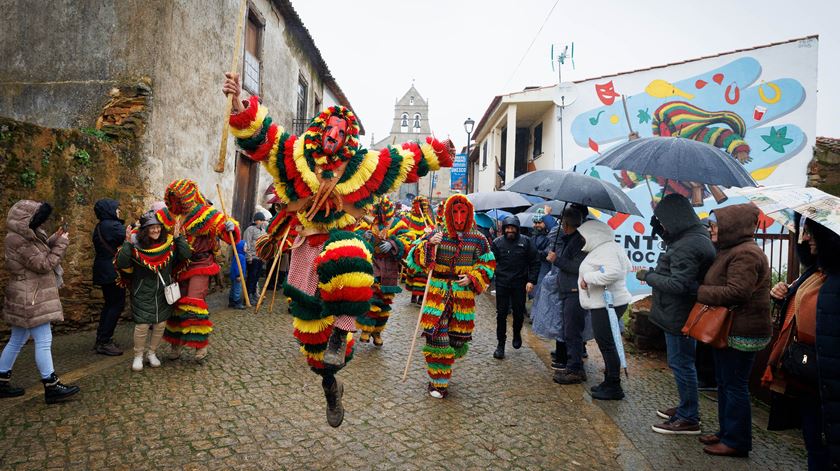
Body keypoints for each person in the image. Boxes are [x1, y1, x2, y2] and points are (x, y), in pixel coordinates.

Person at [223, 72, 453, 427]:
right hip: (305, 245)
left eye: (340, 132)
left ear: (348, 138)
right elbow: (263, 140)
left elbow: (403, 160)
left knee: (348, 261)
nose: (332, 136)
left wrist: (439, 151)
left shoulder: (364, 165)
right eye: (328, 129)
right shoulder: (295, 155)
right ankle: (331, 386)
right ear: (317, 130)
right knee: (313, 343)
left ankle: (343, 332)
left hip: (342, 240)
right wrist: (239, 101)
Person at [694, 203, 771, 458]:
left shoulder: (746, 254)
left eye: (715, 225)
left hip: (742, 330)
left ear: (732, 226)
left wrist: (698, 292)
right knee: (725, 383)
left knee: (734, 385)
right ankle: (727, 432)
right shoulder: (732, 250)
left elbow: (737, 292)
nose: (711, 230)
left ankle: (736, 441)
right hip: (730, 328)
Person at [763, 217, 840, 469]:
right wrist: (783, 294)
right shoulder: (815, 271)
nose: (805, 238)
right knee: (815, 446)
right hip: (810, 377)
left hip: (828, 380)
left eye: (811, 232)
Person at [637, 194, 716, 435]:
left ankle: (689, 417)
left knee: (682, 365)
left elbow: (678, 284)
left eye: (664, 220)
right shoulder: (693, 237)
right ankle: (686, 407)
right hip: (678, 312)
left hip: (679, 314)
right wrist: (661, 232)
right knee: (682, 364)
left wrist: (647, 275)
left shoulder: (689, 244)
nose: (664, 225)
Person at [406, 194, 495, 398]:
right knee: (438, 338)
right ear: (447, 212)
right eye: (454, 212)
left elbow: (487, 263)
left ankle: (443, 370)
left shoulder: (478, 239)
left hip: (462, 297)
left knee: (456, 341)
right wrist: (429, 244)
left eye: (462, 212)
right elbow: (413, 258)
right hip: (437, 293)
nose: (458, 217)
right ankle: (438, 383)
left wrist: (473, 277)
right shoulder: (437, 233)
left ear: (469, 213)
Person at [0, 201, 80, 403]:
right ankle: (51, 386)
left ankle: (1, 380)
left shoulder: (25, 235)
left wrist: (55, 237)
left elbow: (40, 252)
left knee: (17, 339)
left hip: (26, 294)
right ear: (25, 220)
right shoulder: (19, 241)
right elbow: (44, 264)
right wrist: (61, 244)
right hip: (31, 297)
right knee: (44, 340)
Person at [158, 179, 241, 362]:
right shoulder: (169, 216)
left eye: (180, 198)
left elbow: (226, 231)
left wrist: (231, 227)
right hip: (179, 267)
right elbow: (153, 229)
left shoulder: (207, 214)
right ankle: (175, 343)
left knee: (194, 303)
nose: (177, 202)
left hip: (201, 265)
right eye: (174, 199)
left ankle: (199, 345)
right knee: (177, 305)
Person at [115, 211, 192, 371]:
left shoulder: (169, 243)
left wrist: (178, 237)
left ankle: (152, 353)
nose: (156, 230)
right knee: (142, 325)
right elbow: (122, 263)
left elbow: (186, 255)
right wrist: (128, 244)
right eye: (152, 228)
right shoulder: (136, 246)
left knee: (160, 324)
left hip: (163, 292)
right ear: (145, 230)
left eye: (158, 227)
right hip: (142, 291)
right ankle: (138, 356)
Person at [577, 219, 632, 400]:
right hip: (609, 302)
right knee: (607, 343)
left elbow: (614, 272)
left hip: (606, 304)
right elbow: (627, 267)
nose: (582, 240)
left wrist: (588, 277)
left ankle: (614, 385)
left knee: (607, 344)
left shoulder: (606, 249)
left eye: (585, 236)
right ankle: (609, 381)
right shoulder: (611, 247)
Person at [357, 196, 408, 346]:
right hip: (371, 264)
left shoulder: (399, 224)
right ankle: (366, 329)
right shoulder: (369, 222)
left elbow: (408, 240)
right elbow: (355, 233)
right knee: (370, 297)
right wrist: (363, 236)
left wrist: (393, 244)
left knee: (385, 302)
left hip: (389, 267)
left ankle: (377, 332)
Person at [548, 207, 590, 384]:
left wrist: (556, 260)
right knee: (568, 331)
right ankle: (572, 366)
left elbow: (577, 267)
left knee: (573, 332)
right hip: (568, 291)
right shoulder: (570, 239)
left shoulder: (579, 242)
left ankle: (575, 369)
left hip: (574, 292)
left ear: (566, 224)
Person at [491, 215, 539, 359]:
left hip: (519, 283)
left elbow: (535, 262)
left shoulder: (526, 242)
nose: (510, 231)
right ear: (504, 229)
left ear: (517, 229)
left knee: (518, 314)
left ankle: (517, 333)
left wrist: (531, 280)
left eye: (512, 228)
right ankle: (501, 344)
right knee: (501, 314)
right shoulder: (497, 243)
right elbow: (491, 262)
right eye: (507, 228)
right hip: (502, 283)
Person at [91, 198, 127, 356]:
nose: (118, 211)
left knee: (109, 304)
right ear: (109, 210)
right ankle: (105, 341)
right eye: (116, 208)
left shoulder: (100, 226)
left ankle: (101, 338)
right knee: (116, 304)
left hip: (102, 269)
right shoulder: (112, 225)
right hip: (112, 270)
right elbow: (129, 237)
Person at [401, 196, 435, 304]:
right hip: (413, 248)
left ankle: (420, 297)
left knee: (423, 273)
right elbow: (402, 230)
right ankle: (414, 295)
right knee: (413, 271)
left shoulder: (427, 219)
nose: (422, 207)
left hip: (424, 248)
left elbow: (431, 230)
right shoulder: (408, 217)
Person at [242, 211, 268, 301]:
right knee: (251, 277)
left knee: (256, 278)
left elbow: (265, 244)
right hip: (253, 257)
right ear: (256, 220)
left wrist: (265, 256)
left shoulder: (264, 231)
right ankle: (248, 296)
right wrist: (249, 257)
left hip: (260, 257)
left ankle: (253, 294)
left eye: (263, 220)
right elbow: (247, 243)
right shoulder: (250, 229)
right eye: (260, 220)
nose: (262, 222)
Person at [228, 240, 247, 309]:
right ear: (240, 247)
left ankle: (231, 301)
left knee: (233, 288)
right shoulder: (240, 256)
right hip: (237, 276)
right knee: (237, 289)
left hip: (235, 276)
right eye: (245, 246)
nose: (246, 248)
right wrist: (238, 275)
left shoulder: (239, 255)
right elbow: (237, 267)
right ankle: (237, 302)